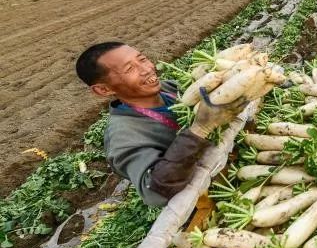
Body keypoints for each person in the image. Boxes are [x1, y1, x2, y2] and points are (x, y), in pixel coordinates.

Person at [76, 42, 246, 207]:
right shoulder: (123, 137)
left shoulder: (171, 88)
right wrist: (201, 128)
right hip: (210, 195)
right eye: (129, 69)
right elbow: (154, 193)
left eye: (142, 59)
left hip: (231, 158)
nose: (147, 68)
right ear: (104, 90)